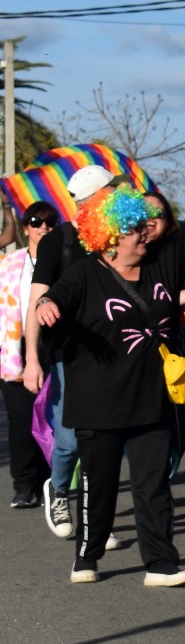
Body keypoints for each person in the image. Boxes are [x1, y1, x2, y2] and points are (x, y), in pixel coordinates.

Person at [36, 157, 185, 586]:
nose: (143, 235)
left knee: (153, 484)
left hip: (151, 399)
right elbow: (55, 296)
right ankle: (87, 557)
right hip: (97, 401)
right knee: (100, 485)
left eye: (142, 227)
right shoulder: (85, 274)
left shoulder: (161, 264)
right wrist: (46, 306)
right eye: (133, 231)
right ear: (109, 240)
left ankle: (160, 564)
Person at [25, 165, 123, 547]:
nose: (117, 194)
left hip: (116, 353)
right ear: (94, 198)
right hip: (70, 353)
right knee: (70, 440)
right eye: (111, 190)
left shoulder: (119, 237)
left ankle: (97, 520)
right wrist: (32, 358)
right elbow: (37, 301)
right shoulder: (59, 241)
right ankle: (60, 489)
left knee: (107, 438)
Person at [1, 202, 57, 508]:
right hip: (14, 347)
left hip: (54, 345)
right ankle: (23, 484)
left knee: (51, 415)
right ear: (26, 228)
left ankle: (51, 480)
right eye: (36, 222)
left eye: (50, 222)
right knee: (21, 417)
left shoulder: (65, 260)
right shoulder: (9, 263)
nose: (43, 227)